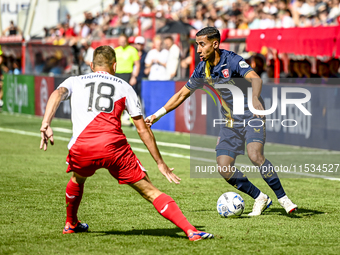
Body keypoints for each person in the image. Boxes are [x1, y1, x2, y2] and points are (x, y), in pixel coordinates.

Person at [39, 45, 213, 241]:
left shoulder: (74, 81)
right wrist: (160, 163)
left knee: (77, 178)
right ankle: (191, 230)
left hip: (82, 148)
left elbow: (56, 94)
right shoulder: (124, 86)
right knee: (150, 191)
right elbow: (142, 129)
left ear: (91, 65)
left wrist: (46, 122)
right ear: (114, 66)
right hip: (114, 149)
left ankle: (70, 223)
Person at [146, 27, 298, 216]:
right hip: (230, 122)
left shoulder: (232, 60)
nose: (198, 50)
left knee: (255, 155)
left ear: (215, 44)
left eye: (202, 45)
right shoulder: (202, 69)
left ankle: (284, 199)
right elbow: (181, 95)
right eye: (197, 45)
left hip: (252, 115)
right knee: (224, 167)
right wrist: (156, 115)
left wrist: (256, 98)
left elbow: (255, 79)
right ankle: (260, 198)